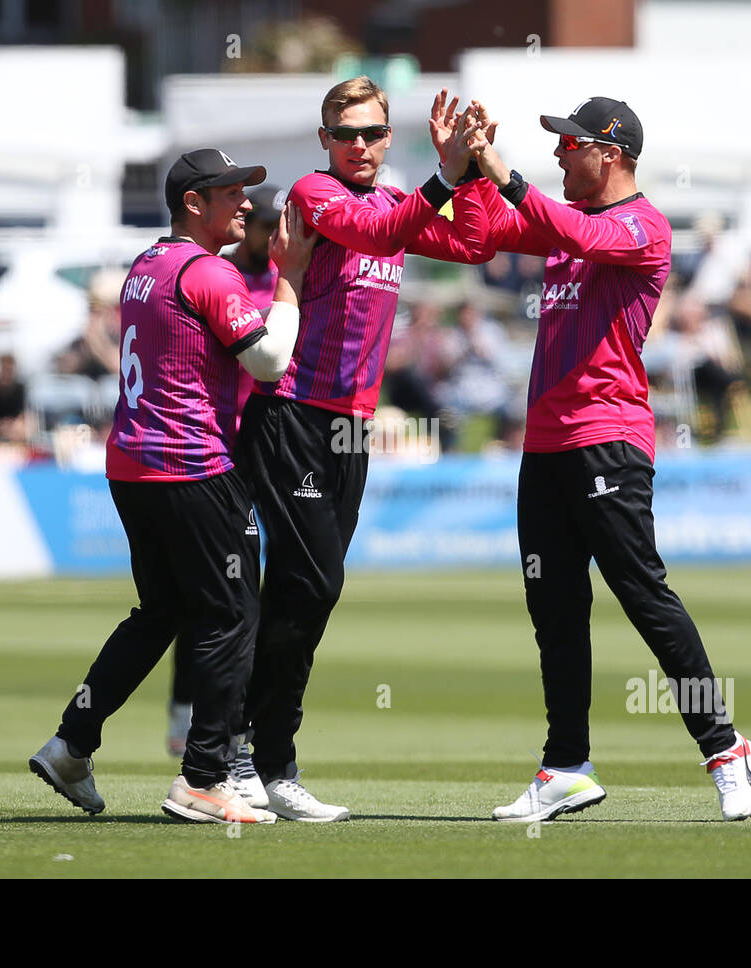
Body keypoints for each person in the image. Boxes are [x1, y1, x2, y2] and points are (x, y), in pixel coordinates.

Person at [457, 96, 751, 822]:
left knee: (641, 594)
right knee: (554, 609)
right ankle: (565, 766)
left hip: (608, 435)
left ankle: (725, 748)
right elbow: (475, 236)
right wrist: (464, 167)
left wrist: (503, 171)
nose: (561, 155)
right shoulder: (571, 225)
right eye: (557, 147)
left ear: (612, 153)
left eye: (571, 145)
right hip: (545, 441)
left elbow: (567, 227)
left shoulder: (641, 226)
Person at [228, 78, 489, 821]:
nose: (364, 146)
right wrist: (444, 175)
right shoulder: (316, 194)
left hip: (352, 423)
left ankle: (264, 763)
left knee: (304, 592)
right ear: (325, 142)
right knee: (313, 581)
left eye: (375, 133)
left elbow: (471, 242)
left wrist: (462, 171)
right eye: (349, 135)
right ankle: (243, 752)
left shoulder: (395, 203)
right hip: (291, 413)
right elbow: (378, 237)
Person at [29, 148, 314, 825]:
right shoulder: (206, 271)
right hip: (191, 466)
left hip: (133, 465)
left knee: (161, 611)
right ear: (194, 202)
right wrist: (291, 275)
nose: (245, 204)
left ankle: (72, 744)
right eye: (231, 193)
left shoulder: (145, 266)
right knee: (232, 614)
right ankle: (203, 778)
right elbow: (270, 361)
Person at [164, 182, 287, 759]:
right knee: (215, 598)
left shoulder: (281, 273)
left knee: (245, 590)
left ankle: (234, 722)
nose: (270, 233)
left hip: (261, 438)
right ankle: (193, 716)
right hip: (214, 446)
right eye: (266, 223)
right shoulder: (219, 271)